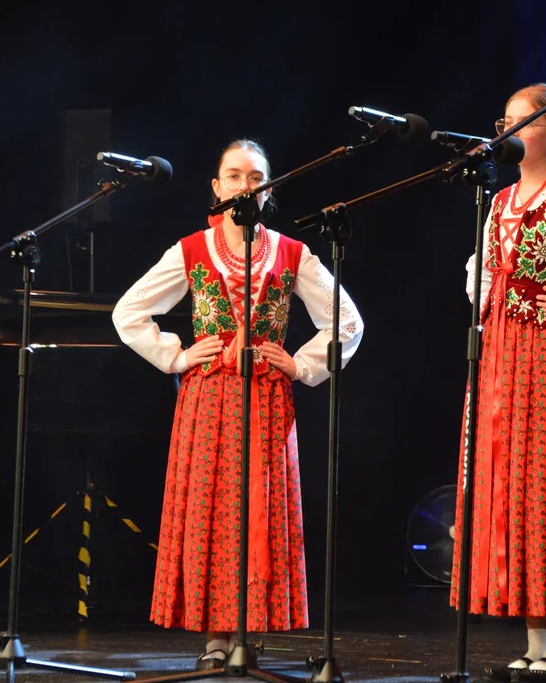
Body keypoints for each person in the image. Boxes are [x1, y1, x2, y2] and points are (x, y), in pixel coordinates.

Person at [112, 139, 364, 669]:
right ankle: (216, 638)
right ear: (216, 186)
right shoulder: (191, 250)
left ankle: (252, 626)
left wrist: (301, 364)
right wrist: (176, 356)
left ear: (268, 190)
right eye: (234, 176)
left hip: (269, 400)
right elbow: (128, 312)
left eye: (255, 177)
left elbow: (347, 321)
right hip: (209, 400)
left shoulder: (293, 254)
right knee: (211, 510)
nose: (244, 186)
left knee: (260, 511)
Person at [449, 82, 546, 681]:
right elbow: (481, 270)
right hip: (501, 358)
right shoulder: (499, 200)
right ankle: (535, 639)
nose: (509, 127)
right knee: (512, 490)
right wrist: (493, 304)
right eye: (506, 117)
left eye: (524, 119)